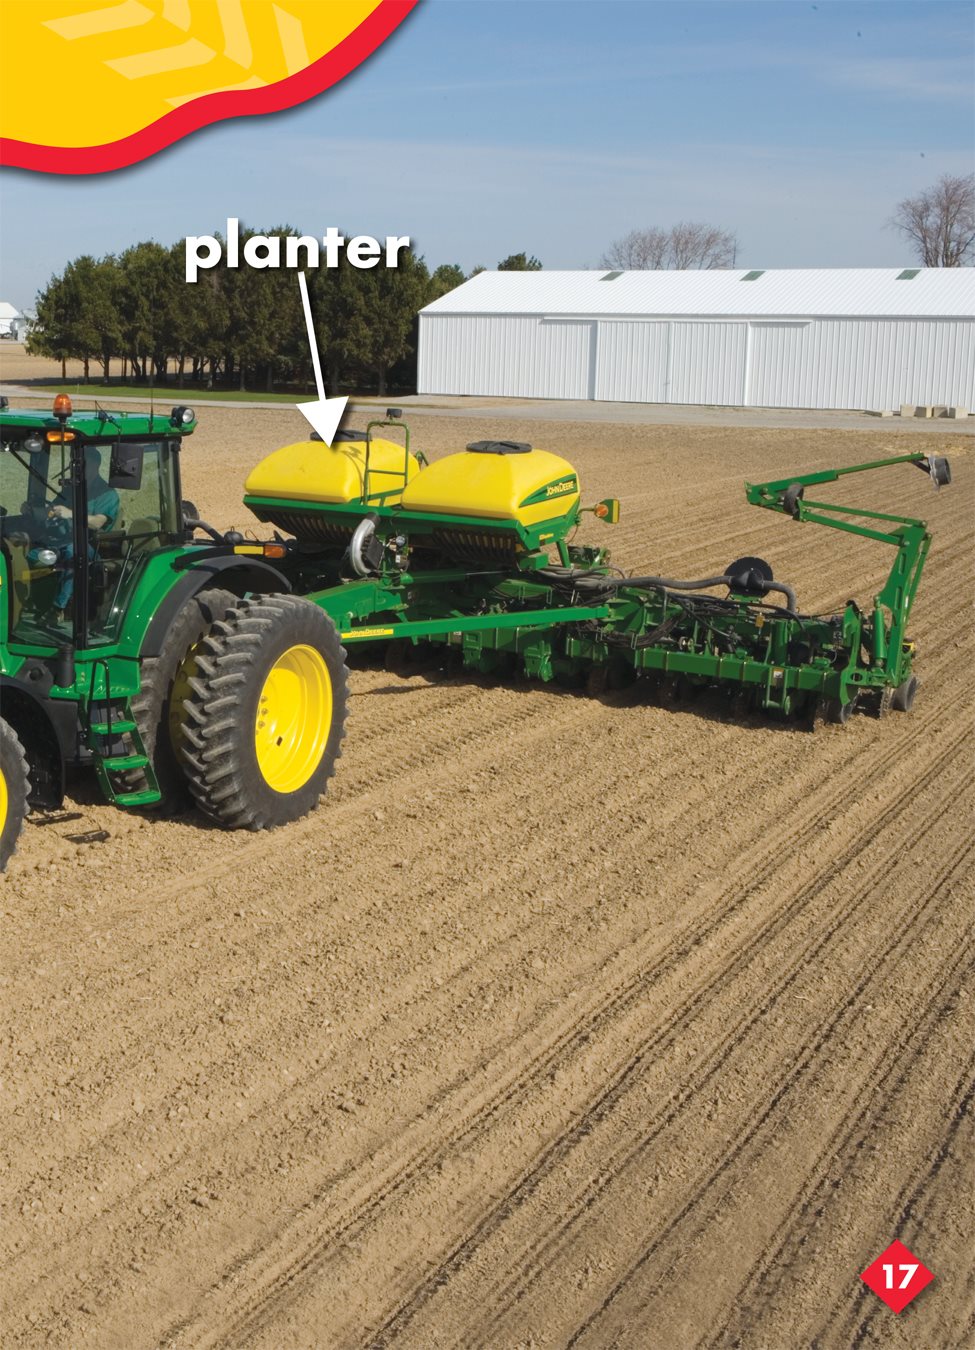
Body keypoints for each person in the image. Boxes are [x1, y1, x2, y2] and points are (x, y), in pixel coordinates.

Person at [41, 448, 120, 619]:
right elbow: (53, 509)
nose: (76, 467)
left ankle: (57, 609)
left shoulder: (106, 493)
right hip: (60, 539)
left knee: (74, 551)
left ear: (95, 465)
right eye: (75, 463)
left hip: (90, 544)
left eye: (81, 463)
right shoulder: (71, 488)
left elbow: (98, 522)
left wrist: (70, 513)